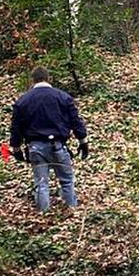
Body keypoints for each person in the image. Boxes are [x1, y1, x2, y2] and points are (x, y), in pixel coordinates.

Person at [9, 66, 88, 212]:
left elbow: (16, 127)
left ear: (33, 80)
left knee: (41, 183)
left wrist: (15, 148)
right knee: (67, 181)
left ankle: (43, 215)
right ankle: (72, 213)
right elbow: (75, 121)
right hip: (58, 145)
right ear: (48, 78)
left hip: (35, 147)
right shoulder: (63, 97)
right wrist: (83, 141)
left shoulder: (23, 101)